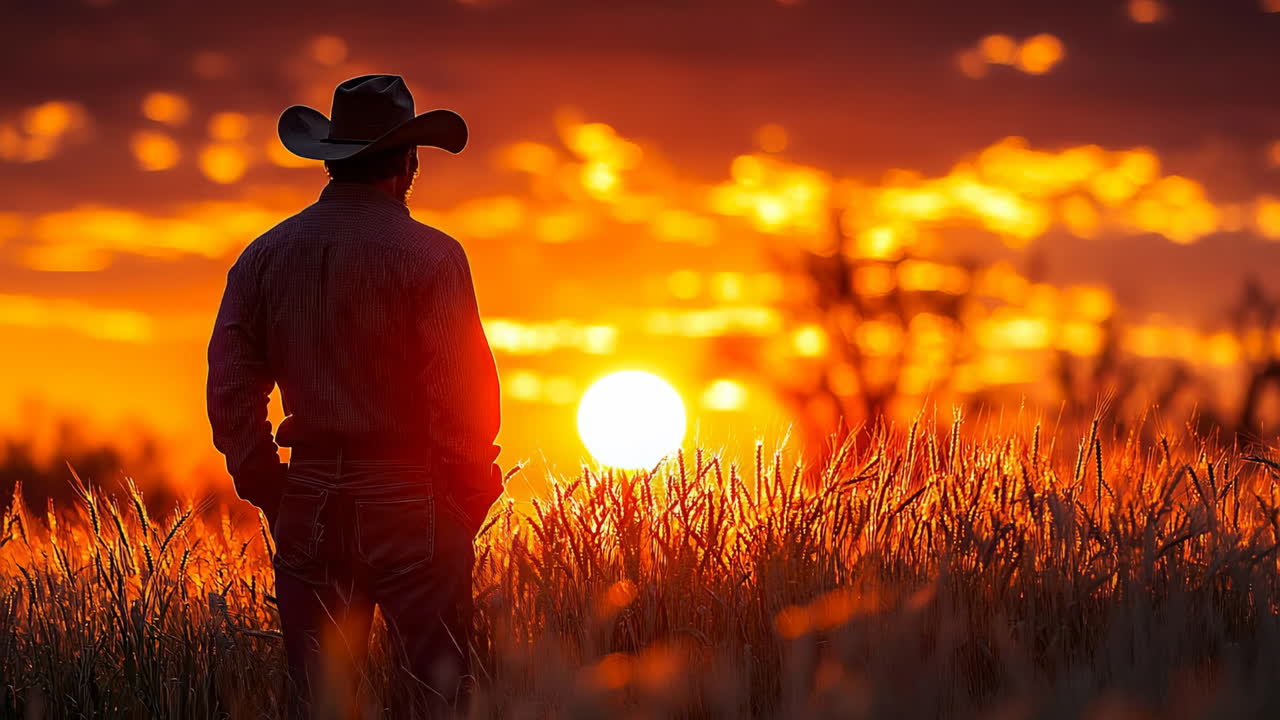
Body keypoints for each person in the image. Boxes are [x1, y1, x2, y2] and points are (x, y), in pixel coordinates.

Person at [206, 74, 502, 718]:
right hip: (413, 500)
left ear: (333, 158)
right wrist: (465, 496)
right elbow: (465, 396)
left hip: (309, 504)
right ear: (407, 162)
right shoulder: (432, 257)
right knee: (435, 700)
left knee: (320, 703)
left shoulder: (264, 255)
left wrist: (272, 486)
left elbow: (230, 387)